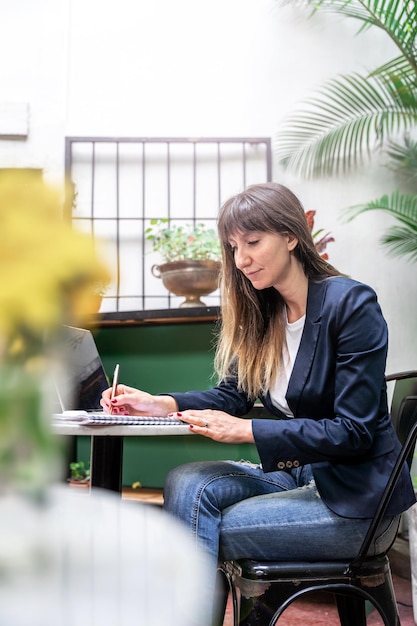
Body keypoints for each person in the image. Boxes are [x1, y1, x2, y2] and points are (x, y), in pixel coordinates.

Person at [101, 182, 415, 571]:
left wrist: (245, 431)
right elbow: (233, 396)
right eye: (233, 247)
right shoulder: (265, 315)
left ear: (290, 236)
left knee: (192, 528)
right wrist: (159, 404)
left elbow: (355, 432)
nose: (241, 259)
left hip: (359, 504)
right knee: (186, 481)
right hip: (301, 477)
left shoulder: (350, 304)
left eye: (252, 242)